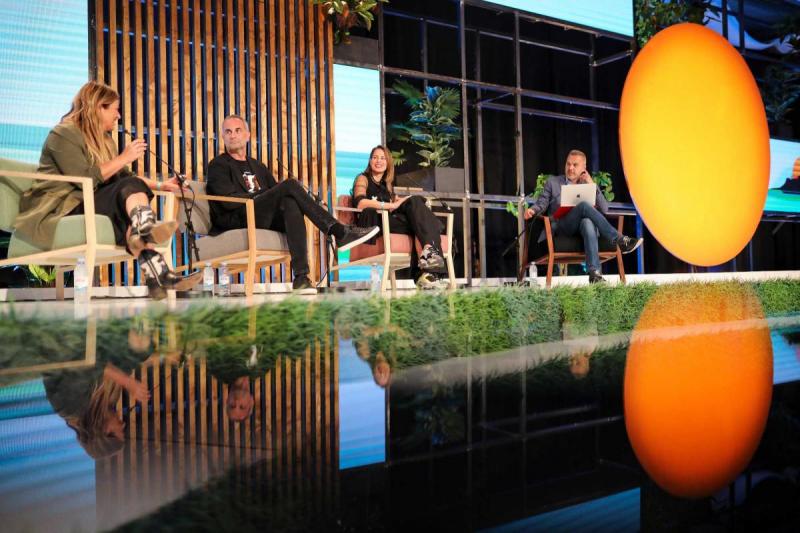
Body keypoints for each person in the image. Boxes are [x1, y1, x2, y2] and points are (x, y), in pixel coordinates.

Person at [13, 81, 200, 298]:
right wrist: (124, 158)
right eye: (115, 109)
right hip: (63, 207)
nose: (118, 115)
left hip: (90, 200)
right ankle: (155, 262)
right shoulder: (63, 134)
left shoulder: (105, 140)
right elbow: (83, 178)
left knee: (130, 206)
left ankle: (154, 265)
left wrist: (162, 185)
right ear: (98, 108)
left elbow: (125, 177)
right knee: (128, 202)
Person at [206, 115, 379, 293]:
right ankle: (338, 231)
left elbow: (276, 195)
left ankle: (301, 278)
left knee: (290, 203)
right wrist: (262, 195)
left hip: (259, 216)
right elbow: (227, 202)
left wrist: (267, 196)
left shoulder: (257, 166)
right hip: (237, 217)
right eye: (228, 132)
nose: (233, 135)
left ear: (247, 135)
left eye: (237, 130)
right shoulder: (218, 165)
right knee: (289, 185)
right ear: (223, 136)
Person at [524, 149, 643, 283]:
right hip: (562, 226)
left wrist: (591, 184)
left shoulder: (588, 184)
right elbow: (542, 203)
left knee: (587, 222)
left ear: (583, 168)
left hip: (583, 228)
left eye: (575, 165)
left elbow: (604, 208)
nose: (570, 168)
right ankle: (619, 239)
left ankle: (594, 274)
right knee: (584, 205)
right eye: (568, 164)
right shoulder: (553, 182)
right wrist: (532, 210)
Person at [352, 145, 448, 289]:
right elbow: (360, 203)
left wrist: (401, 202)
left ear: (388, 162)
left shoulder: (387, 185)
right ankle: (426, 273)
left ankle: (428, 274)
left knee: (415, 204)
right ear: (370, 161)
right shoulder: (362, 178)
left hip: (388, 220)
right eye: (375, 157)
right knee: (423, 223)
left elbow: (395, 203)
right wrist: (389, 205)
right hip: (373, 222)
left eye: (383, 158)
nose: (378, 161)